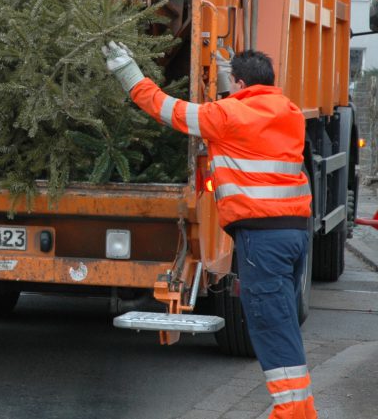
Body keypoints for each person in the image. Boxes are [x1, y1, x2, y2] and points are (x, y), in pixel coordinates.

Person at [103, 43, 315, 419]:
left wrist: (129, 75)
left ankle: (293, 414)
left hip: (260, 239)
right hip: (295, 233)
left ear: (238, 82)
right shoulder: (290, 112)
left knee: (269, 325)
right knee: (282, 321)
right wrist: (226, 78)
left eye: (231, 83)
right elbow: (247, 116)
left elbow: (169, 110)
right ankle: (299, 410)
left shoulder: (228, 115)